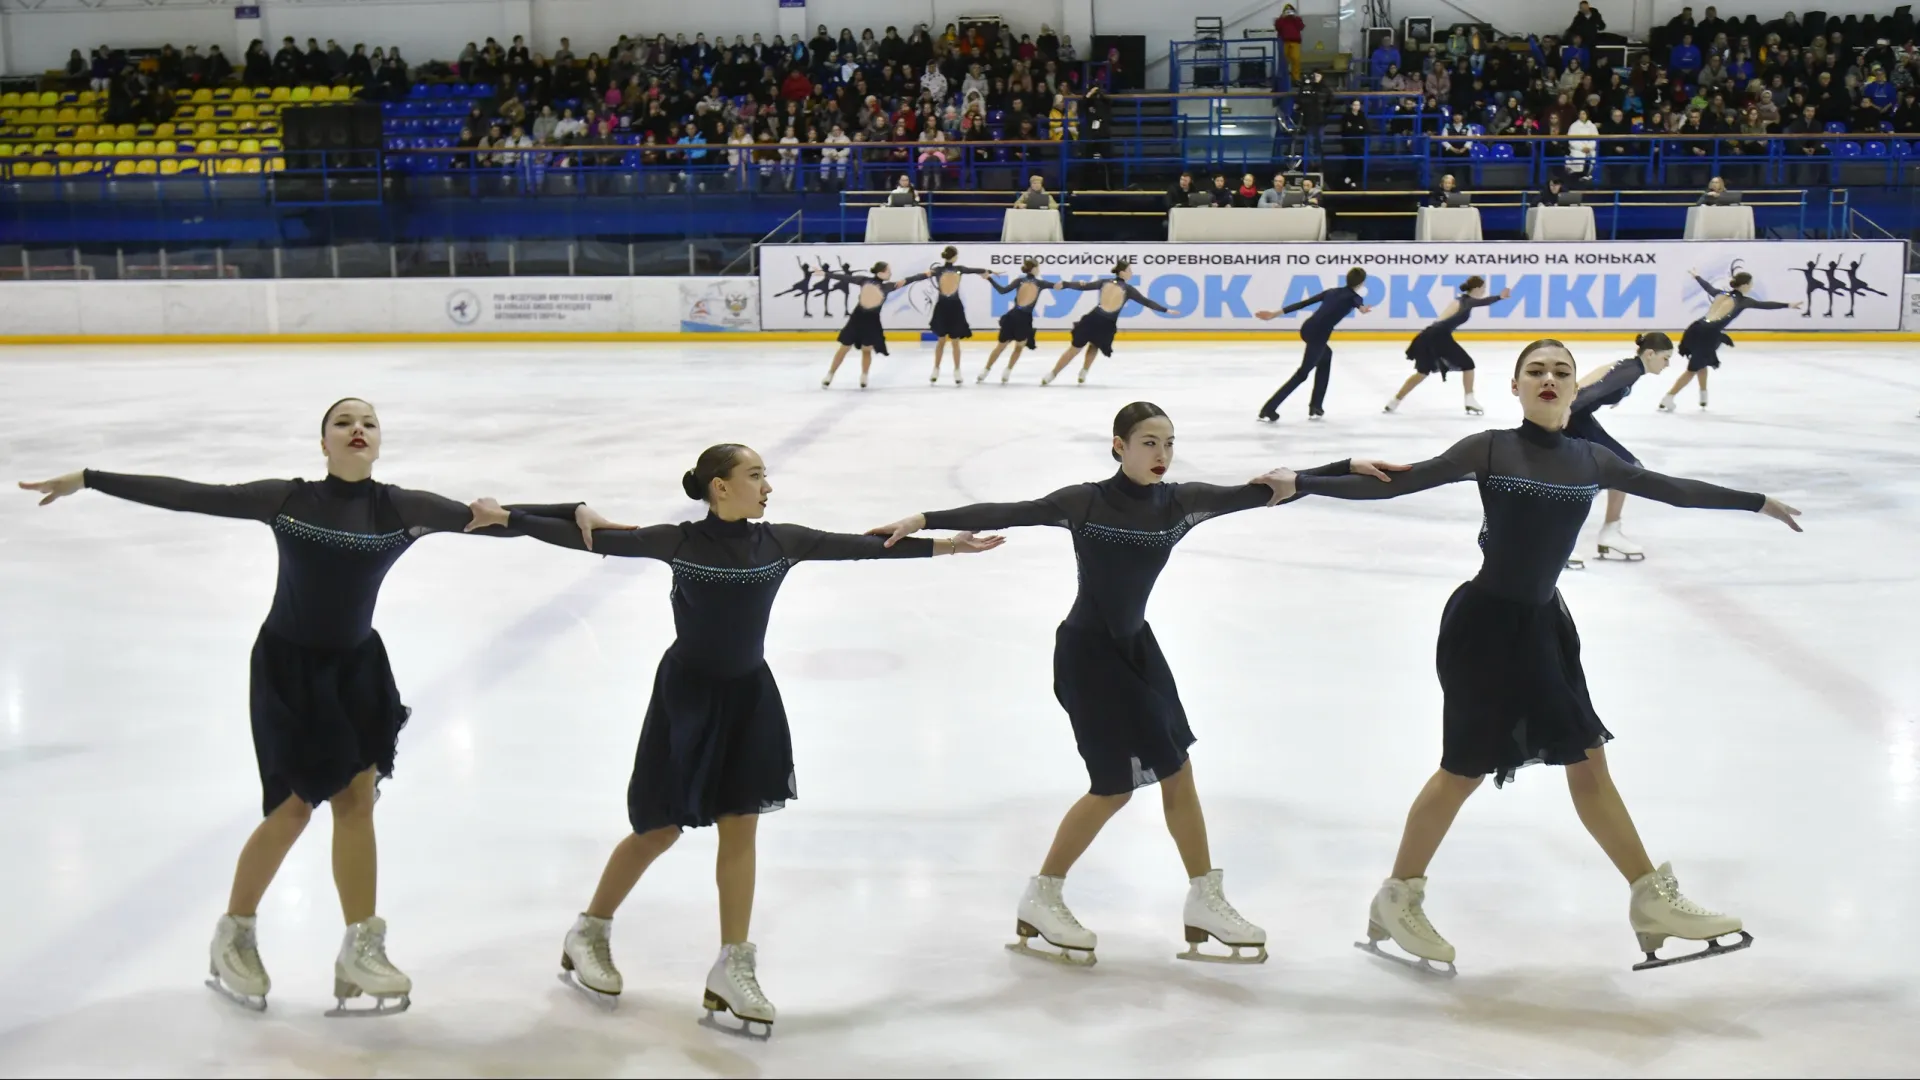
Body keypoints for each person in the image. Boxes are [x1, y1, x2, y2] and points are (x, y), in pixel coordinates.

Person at [15, 399, 607, 1015]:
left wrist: (573, 511)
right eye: (344, 423)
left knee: (356, 799)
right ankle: (234, 934)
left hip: (356, 672)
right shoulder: (287, 500)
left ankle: (361, 947)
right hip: (288, 671)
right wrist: (89, 479)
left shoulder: (403, 509)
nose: (358, 429)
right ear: (322, 442)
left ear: (380, 443)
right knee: (293, 809)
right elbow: (191, 494)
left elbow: (500, 519)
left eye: (369, 424)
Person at [1260, 339, 1802, 973]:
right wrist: (1302, 482)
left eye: (1561, 372)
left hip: (1546, 629)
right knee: (1463, 771)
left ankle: (1650, 899)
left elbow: (1672, 490)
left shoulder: (1592, 458)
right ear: (1515, 387)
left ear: (1576, 390)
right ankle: (1396, 898)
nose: (1549, 379)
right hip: (1484, 630)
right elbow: (1394, 486)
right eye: (1535, 371)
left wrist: (1756, 501)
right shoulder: (1488, 448)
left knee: (1588, 761)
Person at [467, 445, 1001, 1035]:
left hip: (749, 697)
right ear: (720, 487)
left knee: (740, 820)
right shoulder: (677, 541)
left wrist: (951, 545)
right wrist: (508, 517)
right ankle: (588, 929)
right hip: (687, 700)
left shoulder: (781, 541)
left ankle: (732, 964)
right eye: (755, 475)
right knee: (659, 829)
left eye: (765, 474)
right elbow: (587, 540)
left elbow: (864, 547)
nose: (767, 485)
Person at [868, 404, 1401, 966]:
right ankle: (1045, 894)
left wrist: (1344, 464)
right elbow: (1013, 510)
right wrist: (925, 519)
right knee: (1113, 787)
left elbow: (1271, 489)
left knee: (1176, 769)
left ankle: (1203, 898)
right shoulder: (1085, 502)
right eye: (1148, 443)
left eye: (1169, 443)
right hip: (1088, 656)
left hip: (1138, 652)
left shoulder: (1181, 502)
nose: (1161, 456)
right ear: (1118, 446)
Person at [1562, 332, 1675, 567]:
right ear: (1650, 354)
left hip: (1578, 418)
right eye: (1665, 358)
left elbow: (1589, 382)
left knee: (1620, 470)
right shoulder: (1630, 371)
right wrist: (1559, 418)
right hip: (1572, 420)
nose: (1667, 365)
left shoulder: (1628, 366)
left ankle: (1608, 531)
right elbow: (1589, 393)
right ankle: (1556, 538)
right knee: (1620, 470)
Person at [1660, 269, 1801, 411]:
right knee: (1692, 370)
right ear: (1745, 285)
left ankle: (1703, 395)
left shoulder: (1721, 294)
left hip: (1695, 329)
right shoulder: (1743, 301)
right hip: (1707, 335)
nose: (1752, 286)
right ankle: (1668, 398)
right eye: (1751, 284)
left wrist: (1697, 276)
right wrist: (1788, 305)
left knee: (1702, 364)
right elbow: (1765, 305)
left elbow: (1707, 287)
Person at [1254, 267, 1373, 421]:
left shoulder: (1331, 292)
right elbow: (1359, 305)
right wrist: (1363, 309)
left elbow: (1303, 303)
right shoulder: (1354, 298)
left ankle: (1316, 405)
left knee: (1326, 356)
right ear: (1361, 283)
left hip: (1307, 328)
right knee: (1302, 374)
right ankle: (1269, 408)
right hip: (1318, 336)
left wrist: (1274, 314)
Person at [1384, 276, 1509, 416]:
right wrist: (1500, 297)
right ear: (1476, 288)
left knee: (1422, 373)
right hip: (1439, 336)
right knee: (1468, 365)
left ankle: (1394, 402)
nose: (1484, 291)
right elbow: (1483, 302)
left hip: (1428, 336)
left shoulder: (1461, 300)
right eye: (1483, 288)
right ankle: (1469, 399)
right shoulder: (1467, 301)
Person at [1041, 259, 1171, 386]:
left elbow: (1084, 286)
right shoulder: (1128, 289)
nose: (1131, 273)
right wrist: (1165, 310)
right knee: (1090, 346)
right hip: (1106, 323)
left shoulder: (1105, 282)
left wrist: (1065, 284)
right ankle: (1074, 372)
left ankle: (1057, 374)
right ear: (1121, 273)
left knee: (1080, 348)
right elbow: (1146, 302)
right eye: (1129, 270)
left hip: (1093, 318)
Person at [820, 261, 931, 389]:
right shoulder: (864, 280)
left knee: (867, 350)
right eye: (888, 271)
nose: (890, 273)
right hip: (857, 319)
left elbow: (910, 280)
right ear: (880, 273)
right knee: (844, 347)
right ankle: (830, 374)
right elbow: (846, 278)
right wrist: (825, 274)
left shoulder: (889, 286)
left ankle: (864, 376)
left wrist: (925, 274)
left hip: (872, 321)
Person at [981, 258, 1062, 382]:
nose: (1039, 270)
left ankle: (986, 370)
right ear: (1034, 269)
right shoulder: (1040, 283)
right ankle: (1007, 371)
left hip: (1012, 316)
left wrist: (989, 278)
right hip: (1024, 319)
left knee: (1001, 346)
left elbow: (1002, 291)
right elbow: (1057, 286)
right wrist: (1065, 285)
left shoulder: (1019, 281)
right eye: (1038, 267)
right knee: (1019, 347)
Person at [923, 246, 993, 385]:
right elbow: (976, 270)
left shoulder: (940, 270)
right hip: (948, 307)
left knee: (942, 341)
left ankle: (948, 370)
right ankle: (947, 370)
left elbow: (919, 276)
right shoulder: (956, 269)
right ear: (954, 257)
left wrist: (906, 280)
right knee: (953, 342)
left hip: (948, 307)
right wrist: (988, 271)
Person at [1275, 4, 1305, 80]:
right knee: (1284, 60)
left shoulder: (1296, 19)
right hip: (1284, 41)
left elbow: (1301, 27)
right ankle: (1283, 77)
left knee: (1296, 59)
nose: (1289, 12)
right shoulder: (1281, 20)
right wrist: (1282, 17)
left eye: (1290, 11)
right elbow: (1278, 27)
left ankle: (1296, 78)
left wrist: (1295, 18)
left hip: (1295, 41)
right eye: (1287, 11)